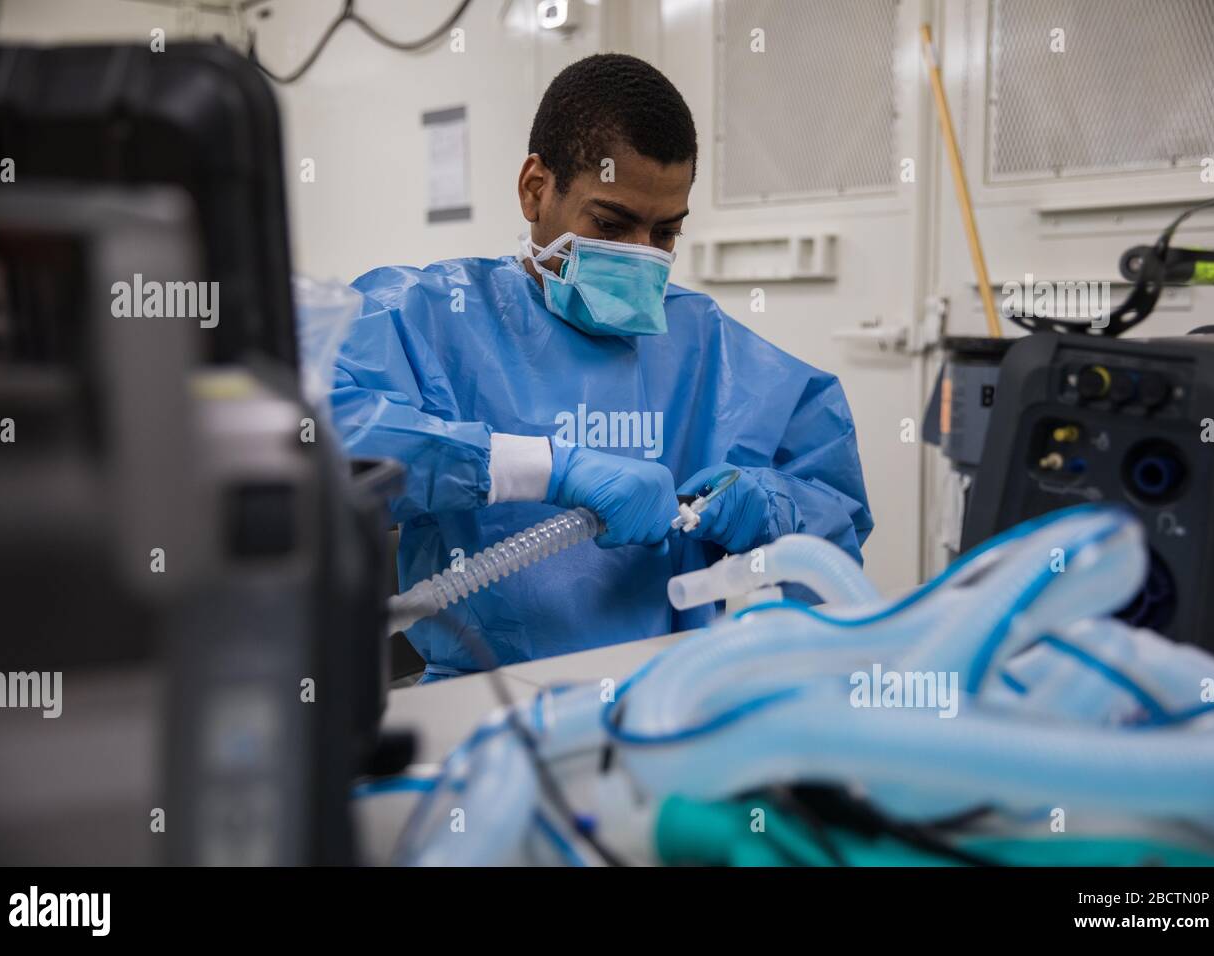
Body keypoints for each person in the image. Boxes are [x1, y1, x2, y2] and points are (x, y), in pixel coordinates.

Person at [331, 53, 873, 681]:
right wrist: (545, 468)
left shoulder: (703, 344)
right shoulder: (433, 318)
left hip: (668, 692)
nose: (641, 257)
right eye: (611, 225)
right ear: (536, 188)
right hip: (490, 703)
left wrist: (769, 507)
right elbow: (319, 437)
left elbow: (834, 503)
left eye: (665, 233)